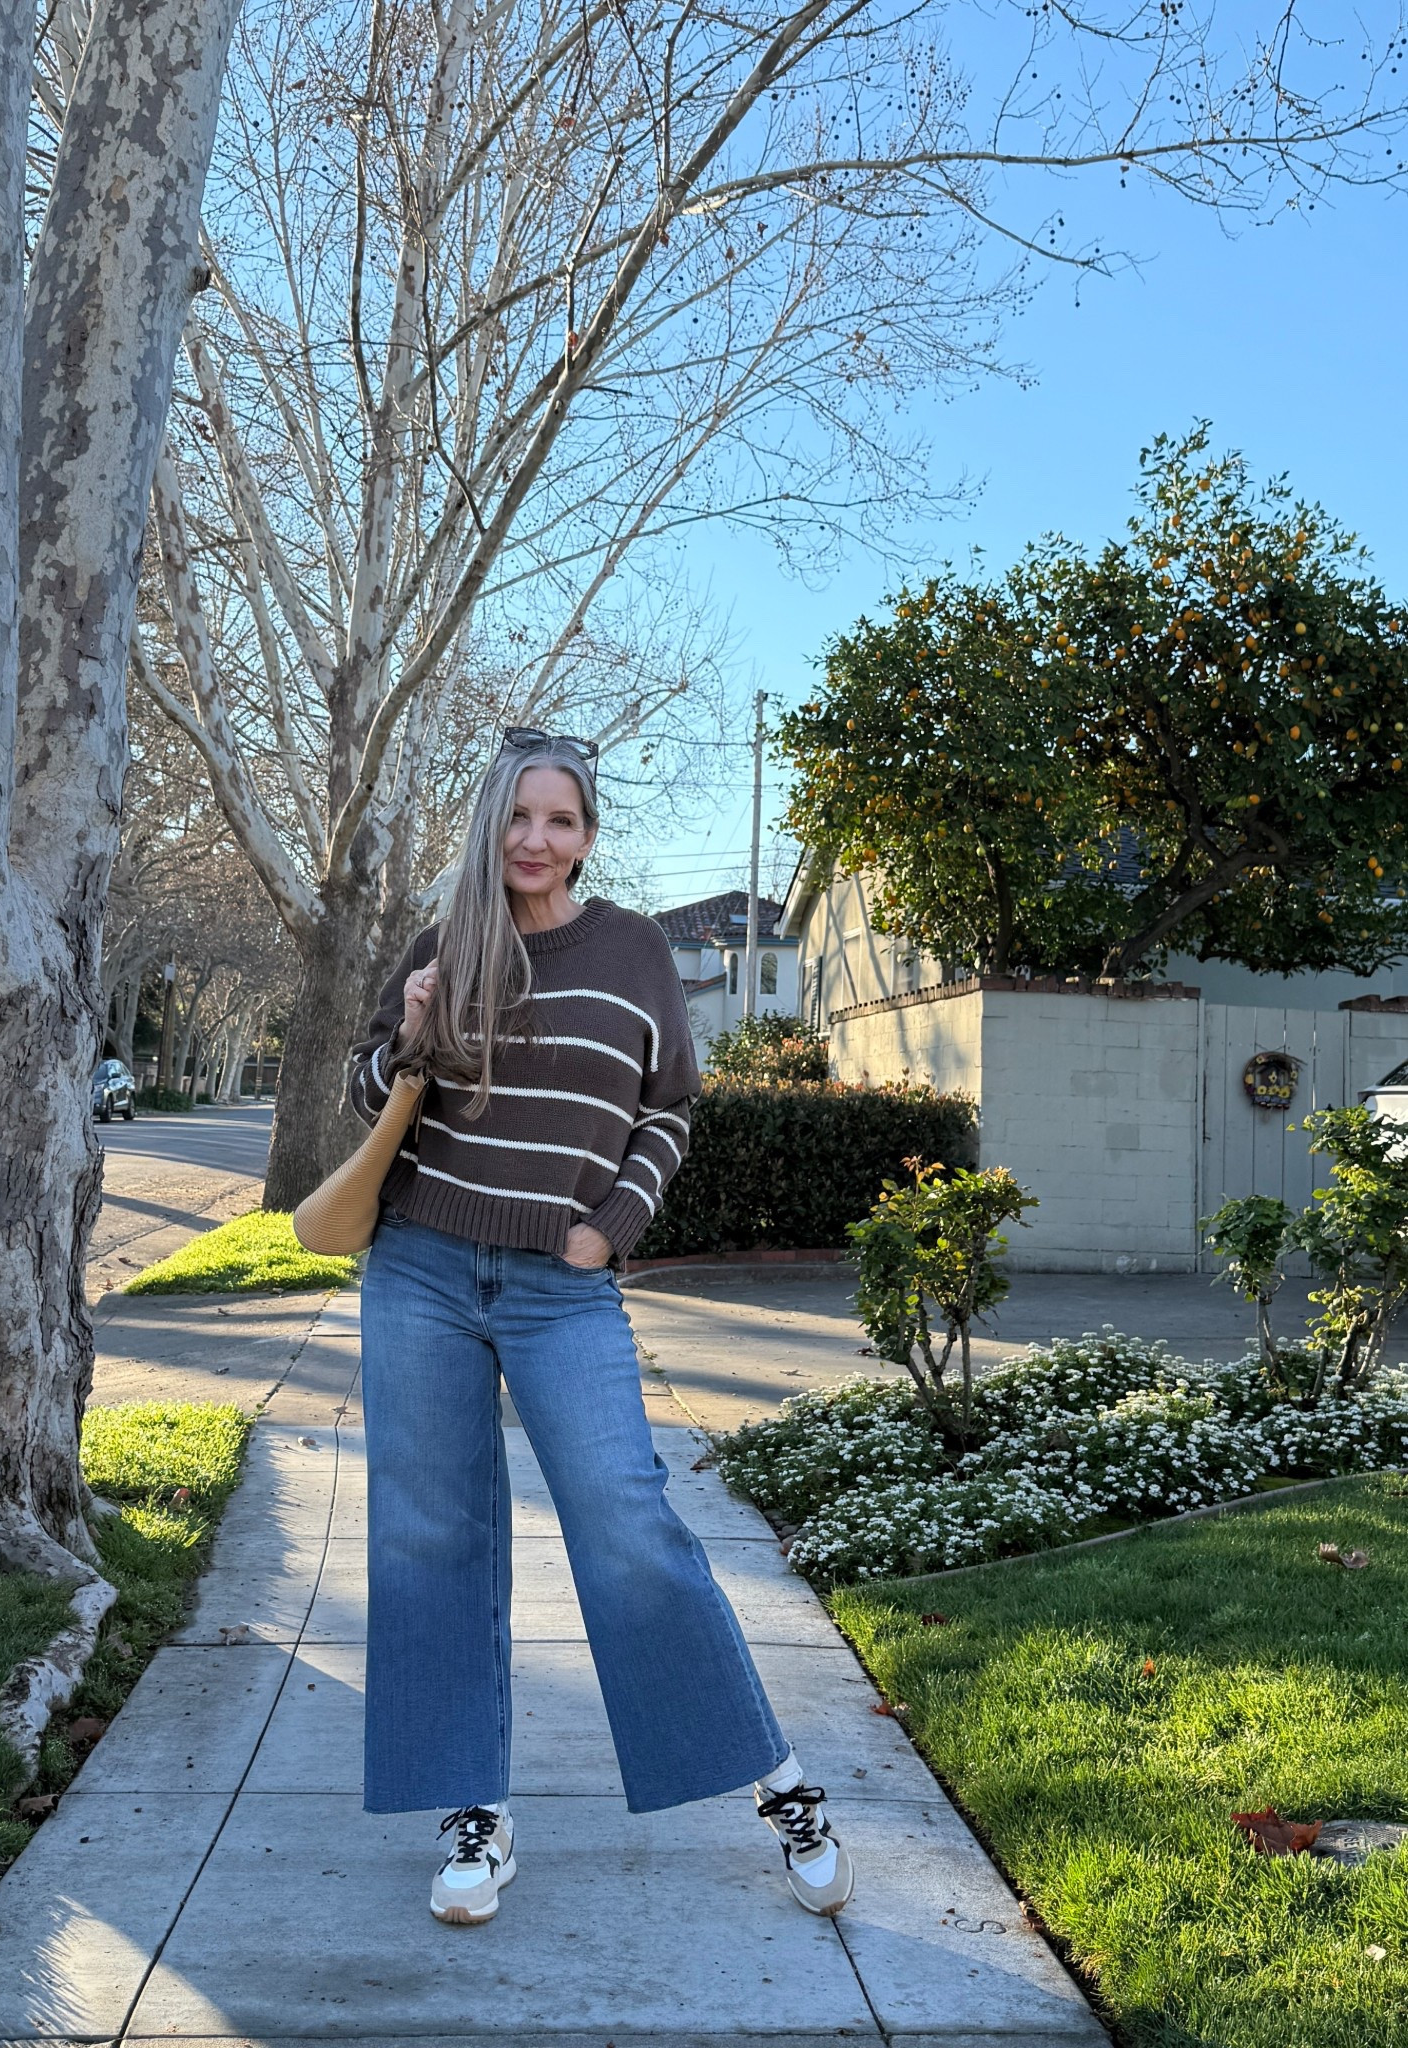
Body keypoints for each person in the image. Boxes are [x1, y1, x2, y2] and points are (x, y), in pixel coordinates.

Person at [346, 725, 853, 1926]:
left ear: (587, 834)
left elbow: (669, 1104)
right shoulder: (441, 944)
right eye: (517, 816)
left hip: (561, 1280)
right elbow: (369, 1100)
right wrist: (412, 1028)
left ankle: (776, 1779)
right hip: (417, 1264)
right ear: (489, 822)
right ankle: (471, 1812)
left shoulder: (632, 950)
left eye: (559, 819)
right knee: (432, 1535)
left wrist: (611, 1224)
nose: (535, 839)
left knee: (628, 1518)